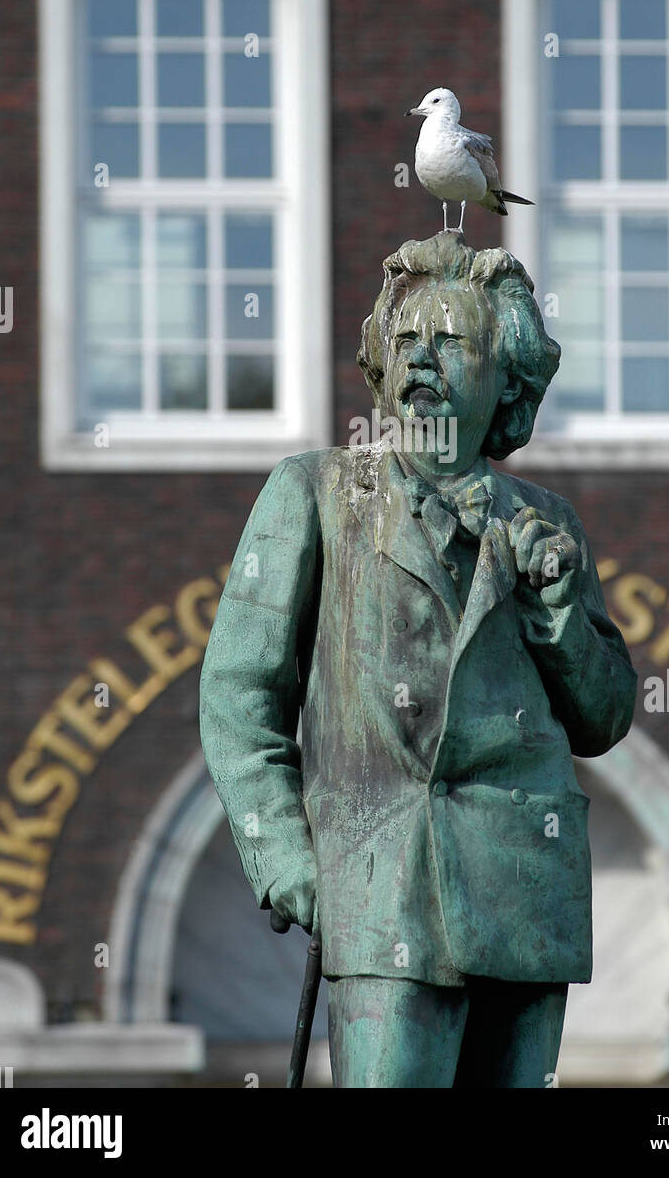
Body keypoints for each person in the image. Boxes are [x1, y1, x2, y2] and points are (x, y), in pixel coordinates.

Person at [199, 231, 637, 1087]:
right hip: (376, 887)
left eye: (451, 343)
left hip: (525, 900)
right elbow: (237, 693)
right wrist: (287, 857)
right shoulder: (318, 493)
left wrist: (557, 616)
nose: (422, 361)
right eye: (406, 342)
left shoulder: (547, 521)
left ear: (507, 379)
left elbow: (606, 716)